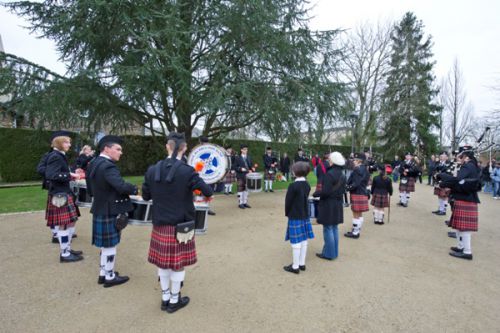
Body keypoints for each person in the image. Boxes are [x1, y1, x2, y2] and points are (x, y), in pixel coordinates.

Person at [142, 132, 213, 313]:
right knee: (177, 263)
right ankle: (174, 300)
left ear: (168, 146)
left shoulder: (152, 169)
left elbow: (146, 196)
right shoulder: (187, 171)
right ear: (184, 148)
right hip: (181, 225)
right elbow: (207, 191)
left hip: (160, 224)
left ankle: (165, 298)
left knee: (163, 264)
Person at [86, 135, 138, 287]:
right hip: (111, 209)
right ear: (107, 149)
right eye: (118, 149)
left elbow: (90, 189)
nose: (120, 152)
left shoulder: (94, 163)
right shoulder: (108, 166)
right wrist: (134, 188)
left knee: (105, 245)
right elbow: (120, 186)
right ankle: (109, 277)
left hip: (100, 207)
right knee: (110, 245)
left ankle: (103, 273)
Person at [44, 131, 83, 262]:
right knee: (64, 224)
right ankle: (64, 254)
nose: (69, 145)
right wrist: (70, 176)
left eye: (69, 142)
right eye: (66, 142)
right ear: (59, 143)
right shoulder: (55, 156)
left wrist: (70, 173)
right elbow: (51, 175)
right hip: (59, 194)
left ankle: (67, 248)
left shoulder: (60, 155)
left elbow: (59, 172)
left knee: (71, 221)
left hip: (64, 192)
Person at [438, 148, 481, 260]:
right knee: (459, 227)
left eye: (461, 157)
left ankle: (467, 252)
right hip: (465, 197)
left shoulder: (468, 166)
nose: (459, 159)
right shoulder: (473, 166)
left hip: (465, 198)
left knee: (464, 228)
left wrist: (443, 181)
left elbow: (457, 180)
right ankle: (460, 247)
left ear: (466, 157)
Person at [312, 152, 346, 260]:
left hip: (328, 204)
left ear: (333, 161)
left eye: (330, 160)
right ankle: (334, 252)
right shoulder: (343, 174)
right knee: (334, 228)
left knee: (328, 228)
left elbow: (325, 192)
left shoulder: (329, 174)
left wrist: (316, 193)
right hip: (338, 203)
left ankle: (329, 254)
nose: (329, 161)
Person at [283, 162, 314, 274]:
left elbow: (288, 202)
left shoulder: (293, 186)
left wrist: (288, 213)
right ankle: (302, 263)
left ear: (296, 172)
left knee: (296, 241)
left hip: (295, 215)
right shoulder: (307, 184)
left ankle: (295, 266)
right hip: (305, 214)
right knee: (304, 239)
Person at [344, 153, 370, 239]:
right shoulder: (365, 169)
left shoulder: (357, 170)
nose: (353, 161)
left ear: (359, 161)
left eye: (355, 160)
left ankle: (355, 233)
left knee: (355, 213)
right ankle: (357, 230)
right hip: (362, 192)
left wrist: (347, 188)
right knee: (359, 213)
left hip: (357, 193)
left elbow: (356, 183)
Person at [234, 144, 254, 209]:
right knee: (240, 189)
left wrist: (252, 169)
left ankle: (245, 202)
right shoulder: (237, 158)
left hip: (248, 176)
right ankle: (240, 203)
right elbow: (234, 167)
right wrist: (240, 169)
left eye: (246, 149)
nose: (246, 150)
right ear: (241, 150)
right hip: (240, 175)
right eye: (244, 149)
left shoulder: (249, 157)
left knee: (246, 190)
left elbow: (251, 165)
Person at [432, 152, 451, 216]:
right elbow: (434, 170)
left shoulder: (449, 164)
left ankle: (444, 210)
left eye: (443, 155)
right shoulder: (438, 163)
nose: (442, 156)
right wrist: (434, 175)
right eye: (441, 155)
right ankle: (440, 209)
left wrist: (439, 175)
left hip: (445, 182)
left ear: (447, 157)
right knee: (439, 195)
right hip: (438, 181)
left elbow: (448, 173)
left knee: (444, 196)